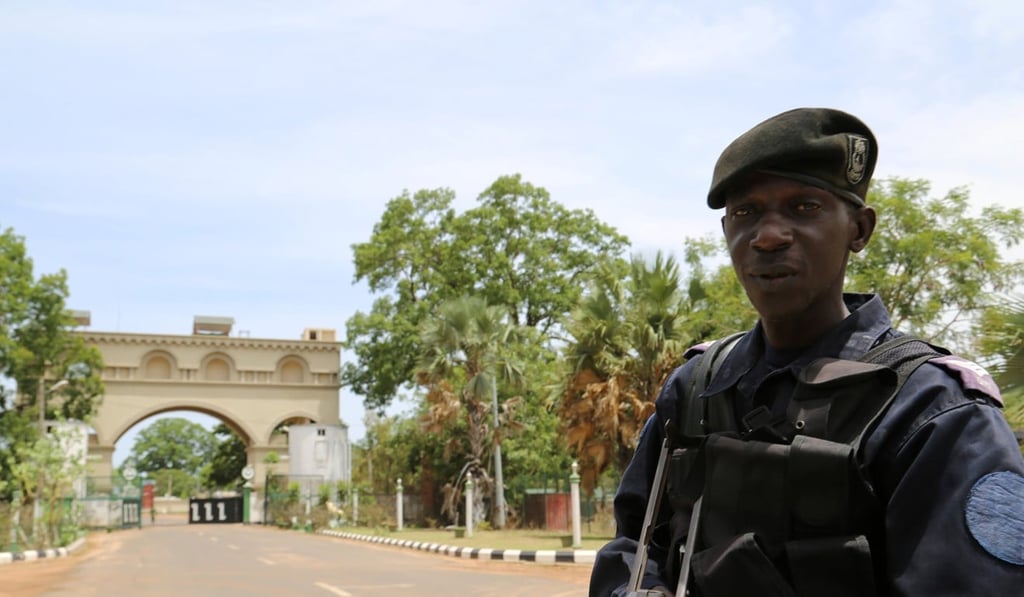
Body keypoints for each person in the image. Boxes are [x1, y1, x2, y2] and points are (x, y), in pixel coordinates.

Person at [589, 107, 1024, 596]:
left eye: (804, 207)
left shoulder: (933, 411)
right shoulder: (694, 387)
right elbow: (631, 546)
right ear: (726, 233)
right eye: (745, 213)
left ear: (859, 230)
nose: (768, 236)